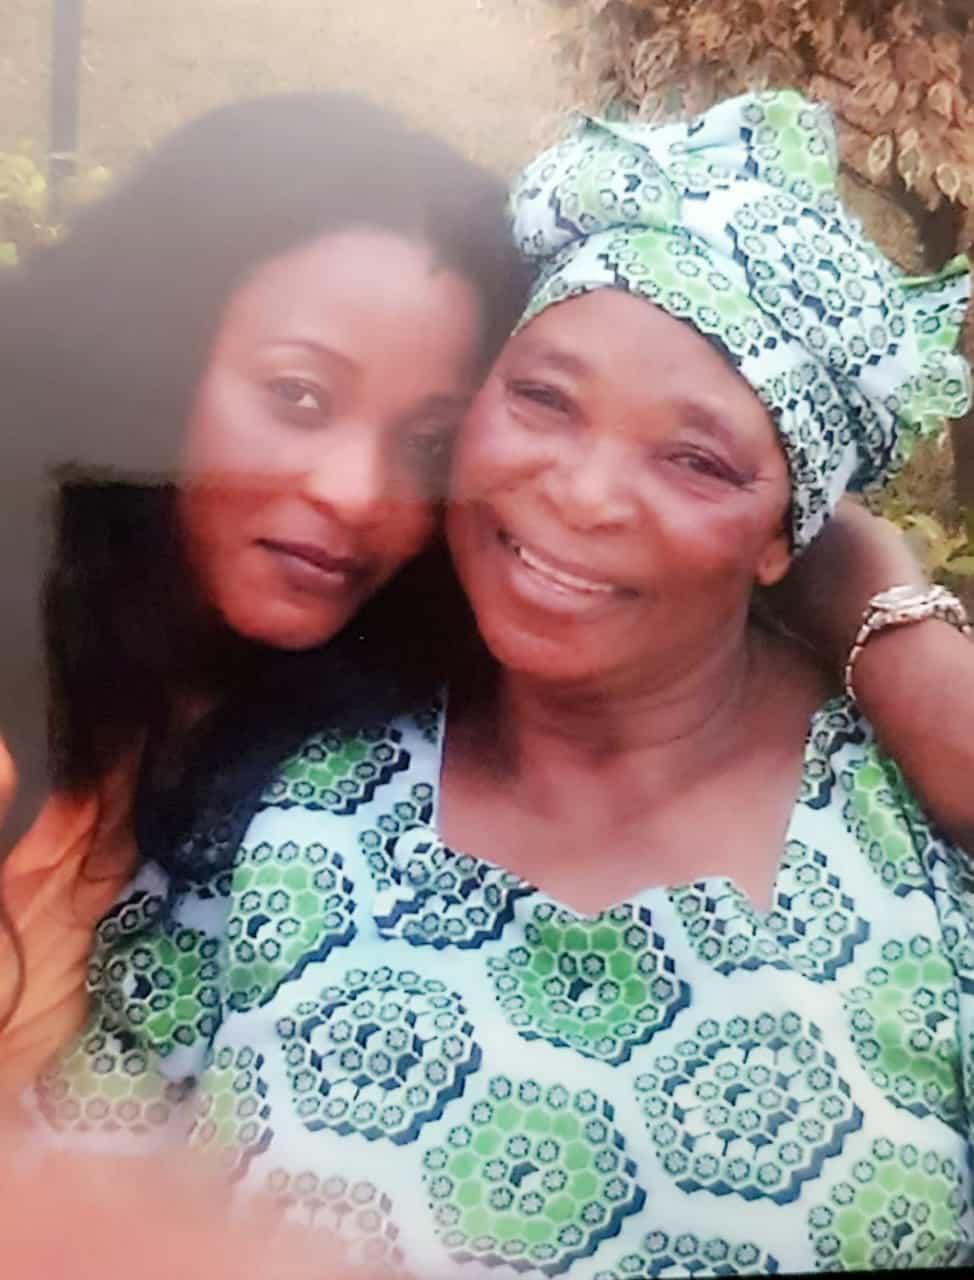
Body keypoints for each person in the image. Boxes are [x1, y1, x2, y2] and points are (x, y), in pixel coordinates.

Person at [27, 92, 974, 1275]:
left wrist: (899, 639)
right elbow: (72, 1186)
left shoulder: (919, 848)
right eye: (542, 398)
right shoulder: (269, 792)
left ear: (789, 530)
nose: (580, 493)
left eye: (693, 458)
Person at [0, 90, 528, 1090]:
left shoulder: (218, 680)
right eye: (299, 396)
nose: (358, 492)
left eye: (429, 446)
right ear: (147, 366)